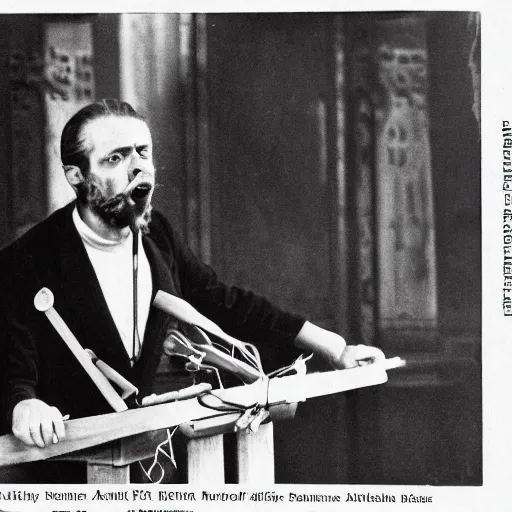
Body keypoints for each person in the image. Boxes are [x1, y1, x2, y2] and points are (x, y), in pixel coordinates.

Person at [0, 99, 384, 456]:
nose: (138, 169)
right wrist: (23, 403)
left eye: (143, 152)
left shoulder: (157, 234)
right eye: (115, 158)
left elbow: (222, 301)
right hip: (74, 469)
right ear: (76, 176)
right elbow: (12, 357)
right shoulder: (26, 260)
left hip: (160, 462)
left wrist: (332, 347)